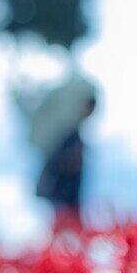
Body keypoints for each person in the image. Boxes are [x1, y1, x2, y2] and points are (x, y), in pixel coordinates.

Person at [29, 76, 97, 235]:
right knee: (67, 235)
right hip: (65, 197)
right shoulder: (69, 135)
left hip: (66, 198)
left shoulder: (71, 133)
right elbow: (65, 164)